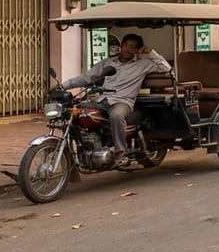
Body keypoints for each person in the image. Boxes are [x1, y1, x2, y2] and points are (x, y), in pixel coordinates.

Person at [57, 33, 171, 162]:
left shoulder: (143, 64)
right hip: (102, 99)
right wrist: (61, 87)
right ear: (121, 46)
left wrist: (150, 52)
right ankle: (83, 145)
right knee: (76, 111)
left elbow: (165, 67)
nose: (128, 49)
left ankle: (120, 150)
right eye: (127, 45)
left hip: (123, 101)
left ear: (137, 50)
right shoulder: (108, 62)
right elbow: (86, 77)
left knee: (116, 115)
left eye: (133, 47)